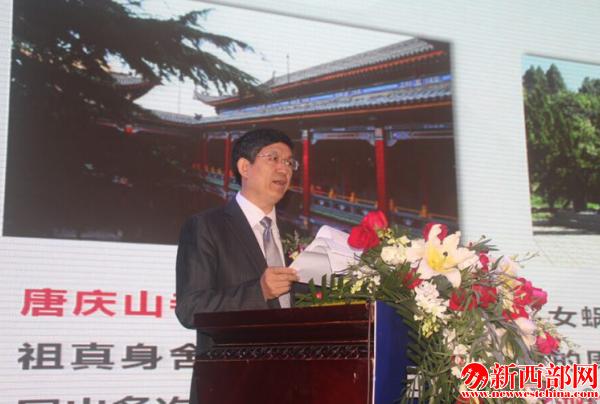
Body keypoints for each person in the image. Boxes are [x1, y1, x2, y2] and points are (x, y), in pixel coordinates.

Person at [175, 127, 301, 403]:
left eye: (289, 162)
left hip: (295, 385)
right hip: (232, 386)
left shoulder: (298, 235)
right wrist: (259, 292)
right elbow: (190, 308)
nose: (284, 169)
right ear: (245, 167)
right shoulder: (206, 227)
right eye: (274, 158)